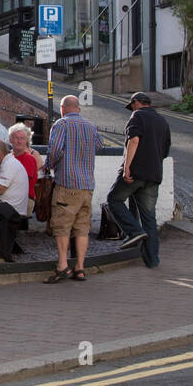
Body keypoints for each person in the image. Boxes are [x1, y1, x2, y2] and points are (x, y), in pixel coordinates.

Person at [43, 95, 105, 283]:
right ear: (78, 109)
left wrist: (49, 165)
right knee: (82, 228)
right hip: (87, 185)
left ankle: (62, 266)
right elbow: (99, 146)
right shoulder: (91, 126)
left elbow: (54, 150)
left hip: (67, 184)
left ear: (62, 108)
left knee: (62, 226)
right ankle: (80, 268)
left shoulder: (61, 124)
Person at [108, 92, 171, 268]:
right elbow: (165, 151)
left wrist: (127, 168)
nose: (132, 109)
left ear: (136, 103)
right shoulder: (162, 121)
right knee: (149, 218)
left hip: (135, 173)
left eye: (132, 106)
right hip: (154, 175)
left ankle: (134, 231)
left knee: (114, 200)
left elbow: (134, 140)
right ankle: (152, 260)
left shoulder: (137, 116)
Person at [0, 139, 29, 262]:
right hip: (9, 205)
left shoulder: (9, 164)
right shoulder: (9, 162)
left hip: (12, 209)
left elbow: (0, 189)